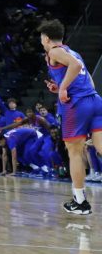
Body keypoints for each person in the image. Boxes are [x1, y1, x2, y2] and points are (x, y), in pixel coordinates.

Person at [39, 18, 102, 214]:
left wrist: (63, 89)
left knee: (75, 152)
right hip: (94, 100)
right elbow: (87, 78)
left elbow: (74, 66)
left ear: (47, 38)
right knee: (100, 147)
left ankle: (81, 202)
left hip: (77, 105)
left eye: (42, 37)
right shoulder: (72, 51)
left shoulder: (55, 51)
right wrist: (60, 87)